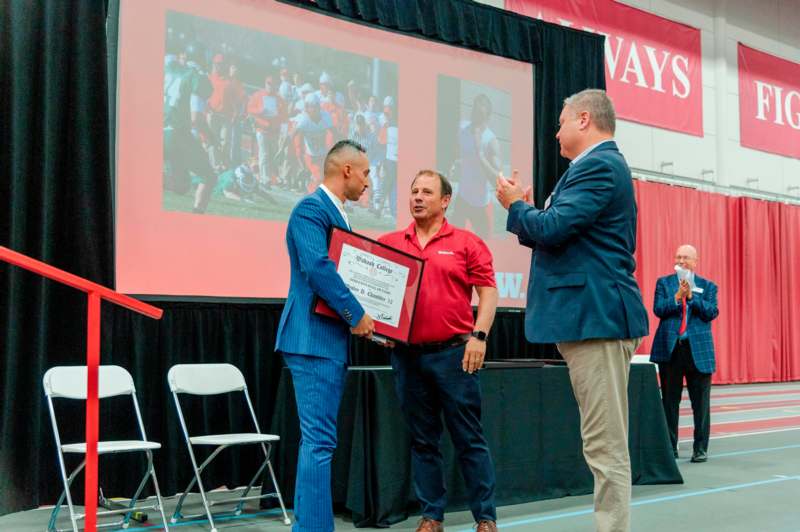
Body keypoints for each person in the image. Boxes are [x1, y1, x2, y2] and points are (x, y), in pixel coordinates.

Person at [495, 89, 649, 532]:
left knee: (606, 447)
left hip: (597, 318)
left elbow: (554, 226)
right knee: (601, 443)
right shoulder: (586, 169)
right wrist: (527, 213)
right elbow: (553, 231)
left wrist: (516, 207)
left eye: (560, 122)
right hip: (589, 318)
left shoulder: (599, 165)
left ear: (584, 120)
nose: (555, 131)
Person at [379, 170, 499, 532]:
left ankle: (486, 517)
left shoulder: (466, 242)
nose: (417, 197)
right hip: (407, 357)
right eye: (414, 191)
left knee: (469, 439)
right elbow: (380, 294)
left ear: (445, 201)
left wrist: (479, 336)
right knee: (423, 440)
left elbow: (488, 292)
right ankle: (432, 515)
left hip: (455, 356)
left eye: (426, 192)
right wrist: (382, 326)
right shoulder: (389, 242)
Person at [275, 140, 375, 532]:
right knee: (319, 443)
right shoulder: (310, 210)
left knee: (317, 442)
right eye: (365, 172)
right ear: (346, 170)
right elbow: (317, 267)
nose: (368, 182)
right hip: (312, 340)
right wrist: (357, 313)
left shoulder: (337, 215)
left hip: (324, 341)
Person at [650, 244, 719, 463]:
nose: (681, 260)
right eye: (678, 256)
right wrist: (677, 297)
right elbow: (659, 309)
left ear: (695, 261)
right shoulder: (664, 283)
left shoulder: (708, 286)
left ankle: (700, 448)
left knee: (701, 404)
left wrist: (691, 297)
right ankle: (670, 448)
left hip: (698, 351)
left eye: (686, 257)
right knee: (669, 402)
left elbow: (711, 312)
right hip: (671, 349)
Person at [452, 94, 502, 237]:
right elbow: (457, 149)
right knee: (454, 240)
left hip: (480, 203)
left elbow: (496, 178)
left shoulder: (491, 140)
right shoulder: (462, 128)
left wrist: (480, 153)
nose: (475, 119)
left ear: (487, 117)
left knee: (484, 244)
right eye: (474, 113)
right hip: (462, 197)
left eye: (480, 116)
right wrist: (456, 162)